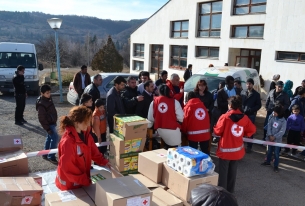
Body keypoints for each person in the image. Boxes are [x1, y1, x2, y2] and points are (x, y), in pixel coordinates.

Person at [55, 106, 110, 190]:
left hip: (81, 180)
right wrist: (85, 180)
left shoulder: (86, 135)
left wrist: (104, 162)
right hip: (70, 184)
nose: (88, 125)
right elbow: (68, 167)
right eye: (86, 122)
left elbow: (94, 152)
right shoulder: (68, 141)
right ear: (77, 122)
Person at [213, 96, 256, 193]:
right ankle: (230, 192)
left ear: (230, 105)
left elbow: (217, 131)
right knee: (233, 171)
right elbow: (252, 129)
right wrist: (244, 133)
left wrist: (215, 128)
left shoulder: (224, 117)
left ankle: (222, 193)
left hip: (225, 151)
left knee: (223, 173)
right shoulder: (245, 118)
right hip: (237, 151)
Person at [147, 85, 183, 149]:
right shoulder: (175, 102)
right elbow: (181, 118)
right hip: (173, 129)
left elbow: (150, 119)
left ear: (159, 91)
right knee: (177, 149)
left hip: (160, 129)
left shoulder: (154, 102)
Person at [36, 84, 58, 164]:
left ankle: (45, 153)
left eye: (49, 92)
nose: (49, 94)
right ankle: (51, 156)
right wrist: (47, 128)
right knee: (55, 139)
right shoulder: (41, 104)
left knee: (49, 138)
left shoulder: (48, 99)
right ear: (42, 93)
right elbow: (41, 118)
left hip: (52, 122)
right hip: (49, 124)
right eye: (47, 93)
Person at [261, 106, 286, 173]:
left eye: (275, 112)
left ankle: (276, 165)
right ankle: (268, 162)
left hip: (277, 140)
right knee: (269, 151)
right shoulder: (272, 118)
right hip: (270, 138)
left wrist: (274, 137)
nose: (274, 113)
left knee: (276, 153)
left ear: (279, 113)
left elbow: (282, 131)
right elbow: (269, 126)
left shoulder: (283, 121)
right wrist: (270, 135)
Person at [241, 78, 262, 153]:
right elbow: (240, 102)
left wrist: (251, 110)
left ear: (252, 85)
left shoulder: (256, 94)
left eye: (250, 84)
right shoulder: (243, 92)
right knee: (241, 130)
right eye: (247, 84)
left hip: (251, 115)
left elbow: (259, 105)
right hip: (243, 115)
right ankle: (241, 145)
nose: (248, 85)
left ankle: (249, 146)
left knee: (250, 131)